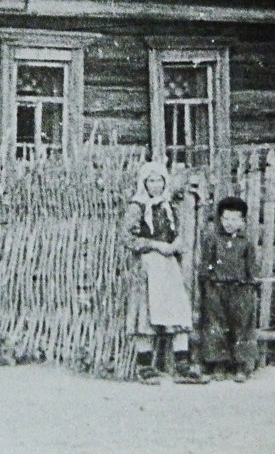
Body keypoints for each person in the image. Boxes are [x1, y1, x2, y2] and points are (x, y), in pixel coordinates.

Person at [122, 161, 208, 384]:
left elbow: (177, 232)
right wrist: (156, 246)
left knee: (178, 311)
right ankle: (144, 367)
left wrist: (177, 242)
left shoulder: (169, 206)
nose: (155, 185)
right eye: (150, 181)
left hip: (169, 265)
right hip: (148, 264)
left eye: (159, 180)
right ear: (144, 183)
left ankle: (182, 366)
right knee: (147, 313)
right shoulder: (137, 207)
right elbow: (128, 238)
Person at [199, 195, 258, 382]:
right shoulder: (213, 240)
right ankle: (218, 364)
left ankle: (241, 365)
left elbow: (251, 266)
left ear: (242, 221)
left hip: (240, 290)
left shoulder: (246, 242)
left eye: (235, 219)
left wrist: (251, 281)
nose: (230, 223)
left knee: (241, 326)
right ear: (220, 219)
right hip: (217, 288)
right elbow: (207, 263)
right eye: (226, 218)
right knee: (216, 325)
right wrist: (207, 281)